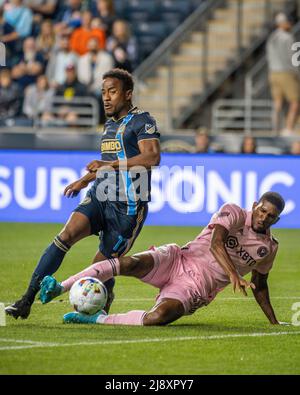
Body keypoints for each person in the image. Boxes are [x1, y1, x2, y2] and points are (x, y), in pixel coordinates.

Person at [5, 68, 161, 320]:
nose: (106, 97)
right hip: (101, 195)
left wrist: (107, 166)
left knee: (100, 265)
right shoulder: (109, 125)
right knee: (64, 236)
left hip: (128, 208)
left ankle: (104, 302)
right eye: (103, 92)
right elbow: (110, 162)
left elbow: (152, 157)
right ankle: (26, 300)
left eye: (112, 91)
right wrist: (84, 179)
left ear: (128, 94)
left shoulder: (143, 121)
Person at [39, 192, 289, 327]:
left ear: (276, 221)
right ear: (255, 205)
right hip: (177, 258)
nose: (264, 217)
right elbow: (216, 242)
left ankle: (96, 318)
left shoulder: (268, 248)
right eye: (262, 211)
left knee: (157, 318)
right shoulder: (233, 211)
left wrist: (274, 321)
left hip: (196, 288)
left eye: (271, 217)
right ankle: (60, 287)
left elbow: (261, 284)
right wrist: (234, 274)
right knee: (127, 263)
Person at [266, 13, 300, 135]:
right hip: (286, 72)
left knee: (277, 102)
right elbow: (292, 58)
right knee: (295, 101)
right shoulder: (288, 37)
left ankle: (274, 128)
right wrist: (297, 73)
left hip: (273, 72)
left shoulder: (271, 38)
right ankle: (289, 128)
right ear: (283, 23)